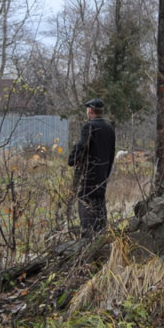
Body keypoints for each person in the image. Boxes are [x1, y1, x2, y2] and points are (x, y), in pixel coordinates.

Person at [68, 97, 116, 238]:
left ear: (90, 111)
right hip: (102, 175)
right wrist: (106, 173)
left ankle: (87, 238)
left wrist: (72, 159)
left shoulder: (89, 127)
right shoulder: (110, 129)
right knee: (99, 204)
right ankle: (101, 235)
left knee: (85, 204)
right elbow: (112, 153)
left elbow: (83, 146)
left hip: (88, 175)